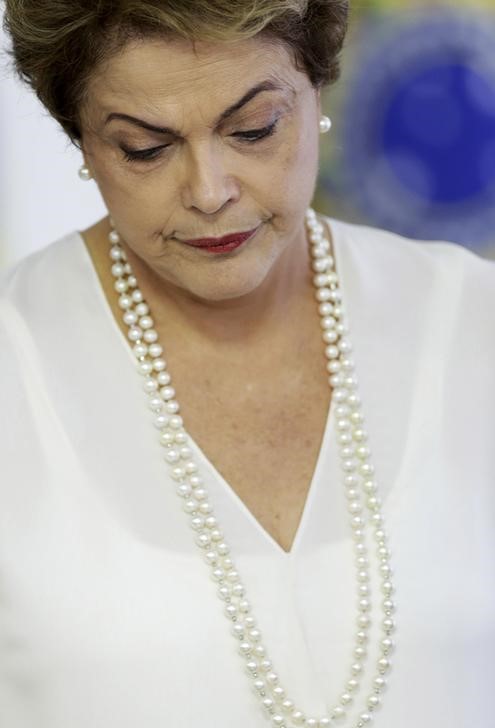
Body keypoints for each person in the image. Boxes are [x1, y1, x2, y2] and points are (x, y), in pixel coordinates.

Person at [0, 2, 494, 727]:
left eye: (254, 129)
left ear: (317, 86)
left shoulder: (473, 325)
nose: (209, 191)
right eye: (144, 148)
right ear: (78, 137)